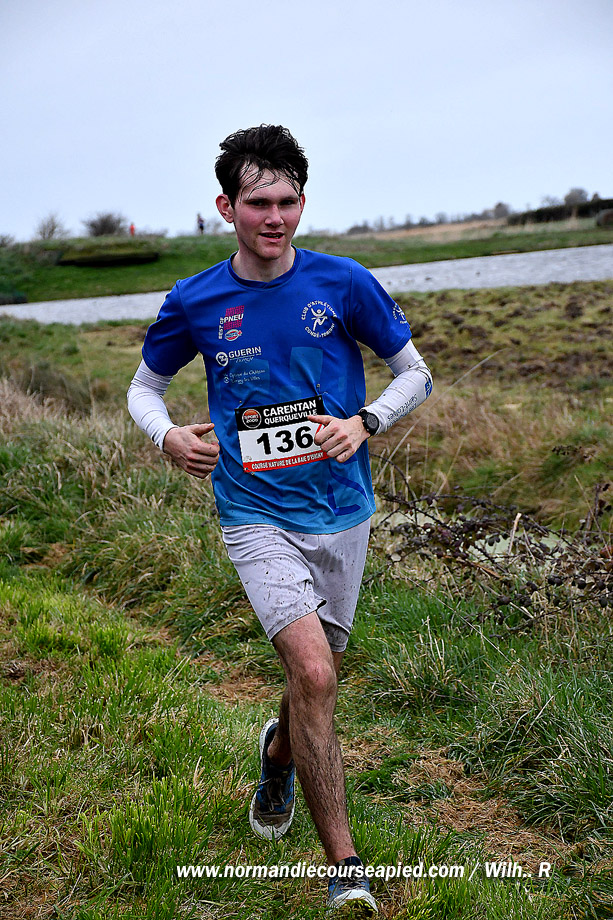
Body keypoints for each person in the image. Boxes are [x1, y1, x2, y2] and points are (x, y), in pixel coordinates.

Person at [127, 124, 432, 915]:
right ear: (226, 207)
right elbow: (144, 388)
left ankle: (278, 752)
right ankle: (346, 868)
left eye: (287, 201)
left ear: (302, 202)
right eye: (258, 202)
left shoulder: (343, 282)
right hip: (252, 511)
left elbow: (414, 373)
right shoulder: (196, 299)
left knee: (314, 681)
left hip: (342, 510)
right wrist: (166, 436)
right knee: (316, 676)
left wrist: (363, 422)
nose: (275, 217)